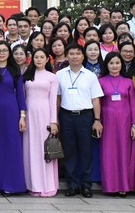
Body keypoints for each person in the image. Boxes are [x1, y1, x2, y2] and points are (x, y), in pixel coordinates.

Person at [56, 43, 104, 198]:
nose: (75, 56)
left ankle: (86, 185)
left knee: (85, 151)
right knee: (69, 152)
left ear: (83, 56)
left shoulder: (90, 76)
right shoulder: (60, 74)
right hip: (66, 116)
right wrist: (56, 118)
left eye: (78, 53)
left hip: (85, 116)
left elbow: (95, 99)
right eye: (71, 54)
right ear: (67, 56)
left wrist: (97, 119)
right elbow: (57, 98)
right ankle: (72, 184)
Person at [0, 42, 26, 196]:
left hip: (11, 112)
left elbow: (20, 95)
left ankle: (12, 184)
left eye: (4, 50)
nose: (1, 53)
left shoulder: (14, 71)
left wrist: (22, 116)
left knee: (12, 148)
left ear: (9, 53)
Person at [22, 48, 59, 197]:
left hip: (45, 114)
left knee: (45, 149)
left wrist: (53, 121)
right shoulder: (27, 75)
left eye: (41, 57)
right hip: (29, 114)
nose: (38, 59)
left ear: (47, 59)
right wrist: (22, 116)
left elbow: (53, 100)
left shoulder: (52, 77)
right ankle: (32, 184)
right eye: (36, 57)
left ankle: (48, 185)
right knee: (30, 149)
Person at [98, 52, 135, 196]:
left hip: (125, 121)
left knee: (124, 152)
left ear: (122, 65)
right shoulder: (101, 81)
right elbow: (98, 103)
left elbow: (133, 104)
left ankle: (124, 186)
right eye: (111, 63)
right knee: (108, 153)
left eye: (117, 63)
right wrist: (98, 122)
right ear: (107, 65)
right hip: (107, 121)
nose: (114, 66)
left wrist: (134, 124)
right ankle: (110, 186)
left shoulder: (128, 82)